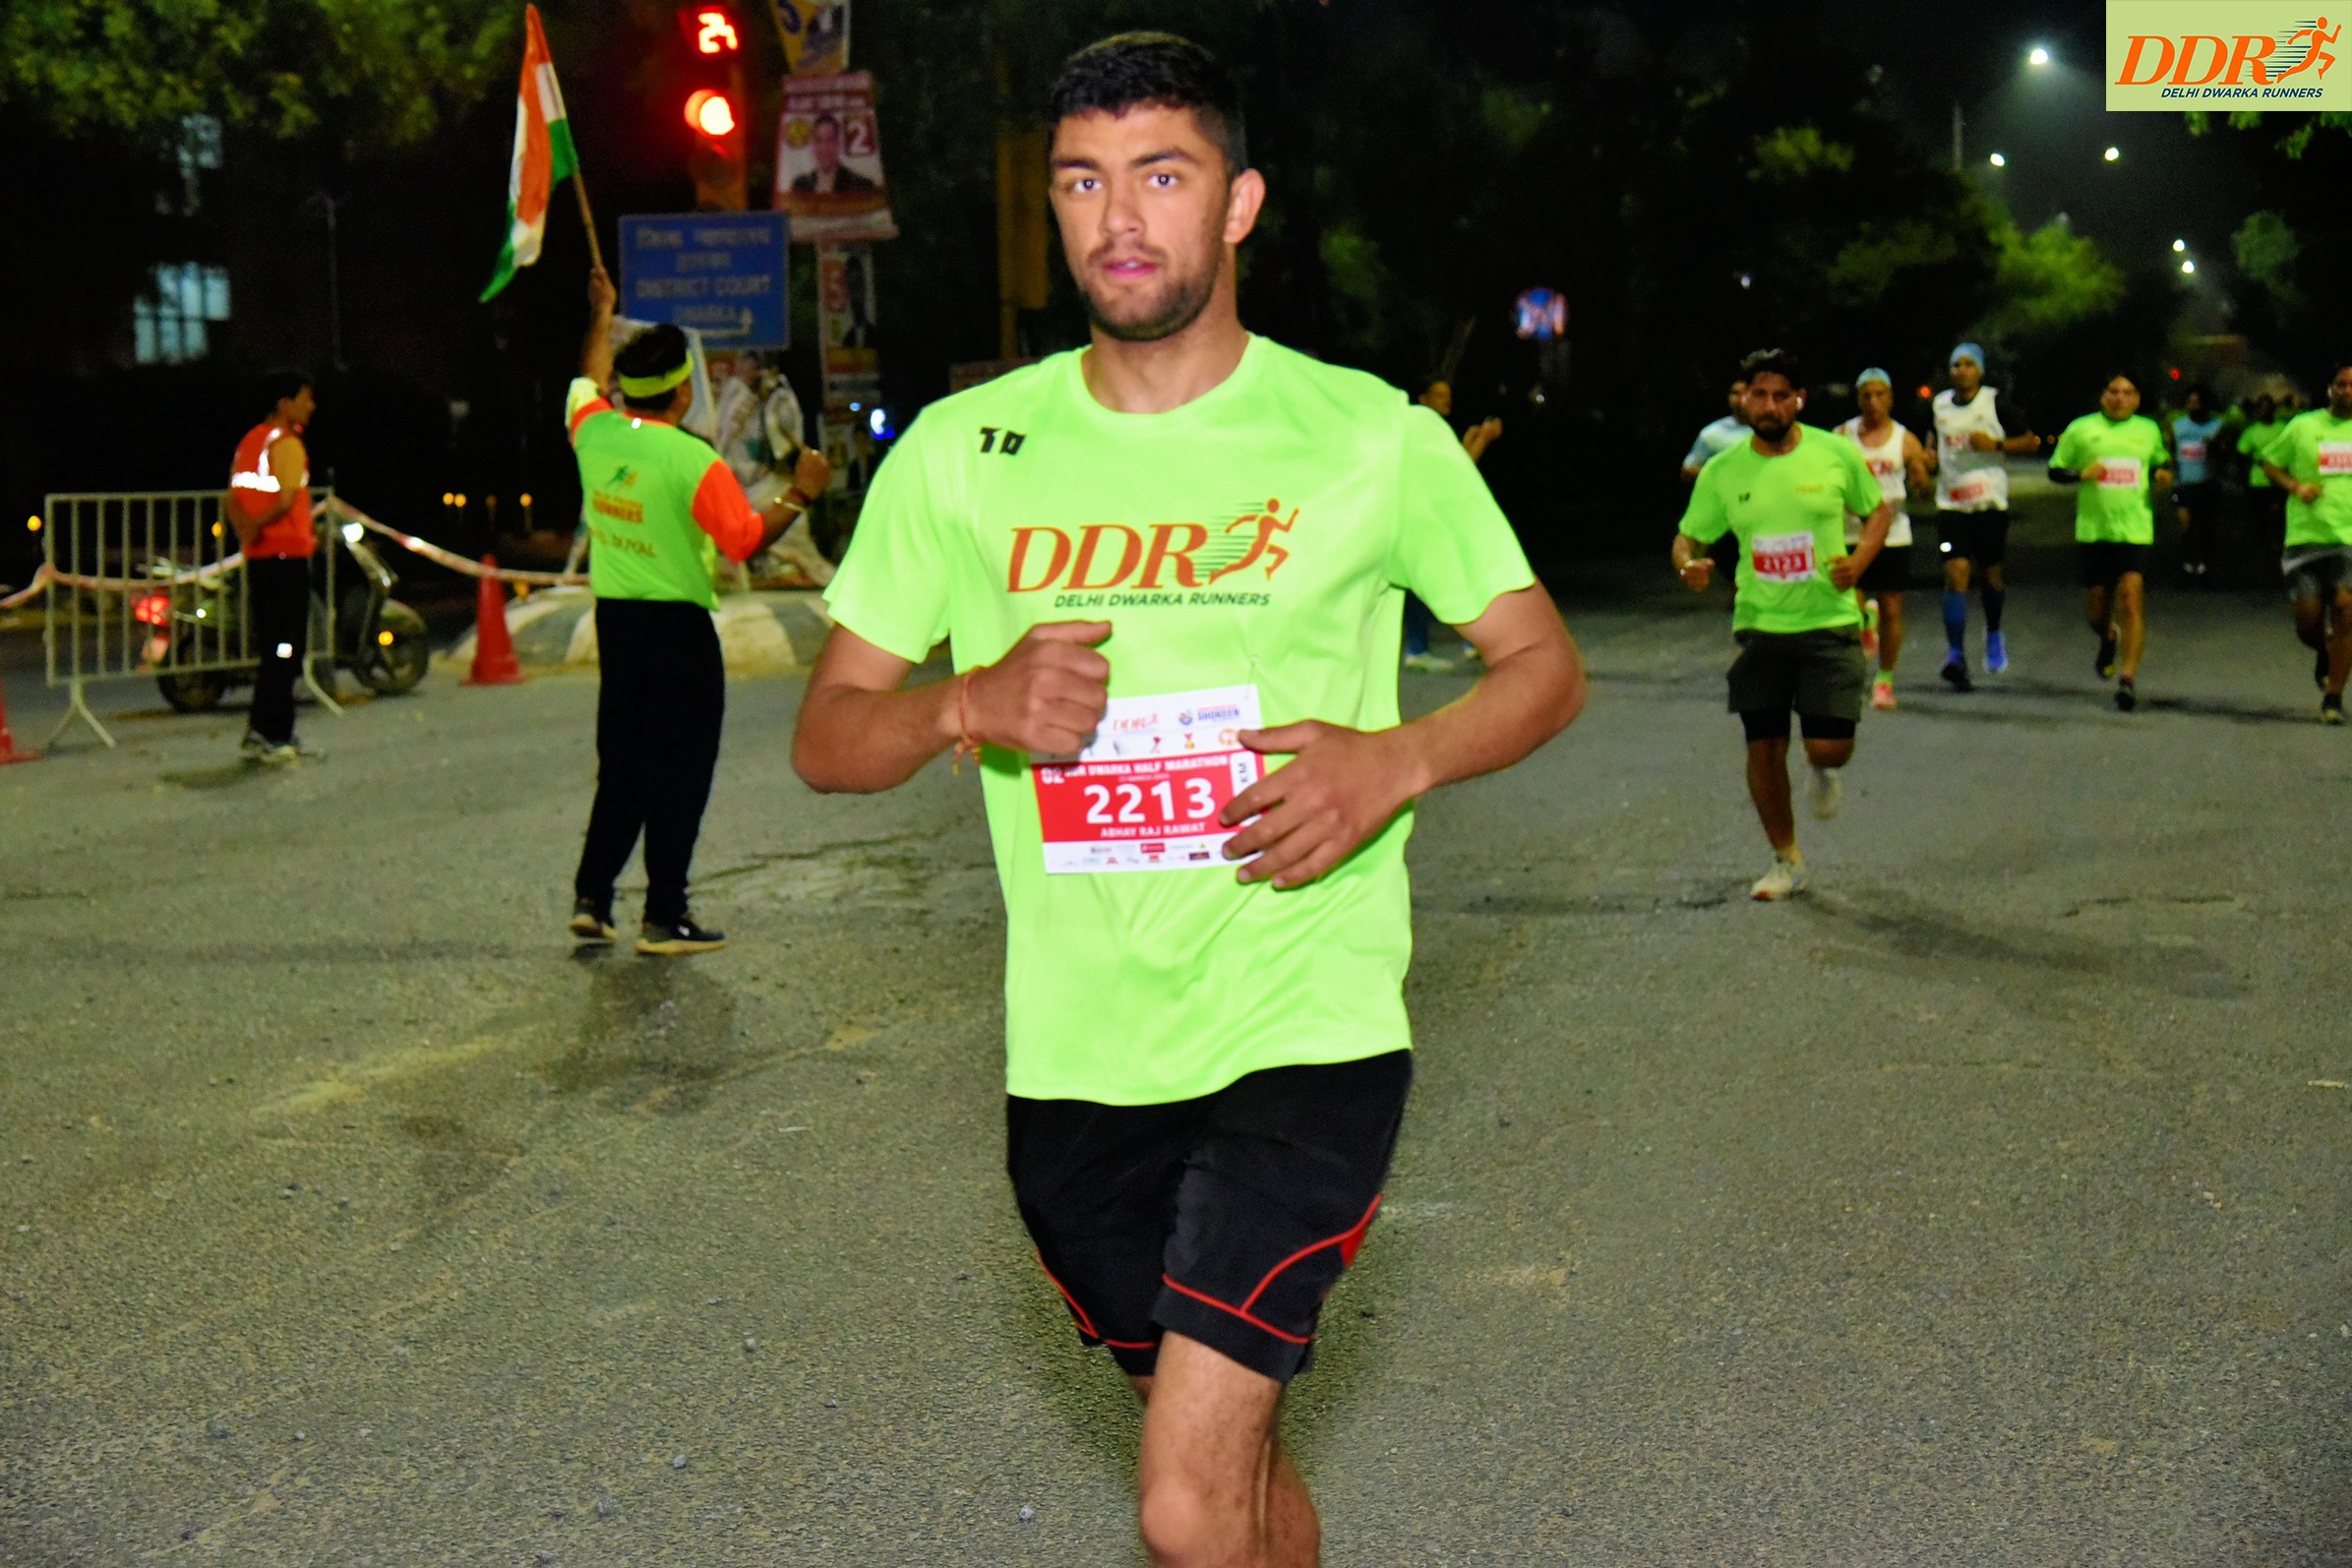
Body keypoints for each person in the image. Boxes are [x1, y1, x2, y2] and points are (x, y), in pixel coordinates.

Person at [790, 33, 1586, 1565]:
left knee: (1175, 1499)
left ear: (1237, 203)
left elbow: (1541, 667)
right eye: (1081, 181)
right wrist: (963, 701)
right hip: (1077, 1058)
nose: (1117, 218)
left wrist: (1395, 759)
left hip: (1303, 1027)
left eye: (1160, 175)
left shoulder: (1369, 437)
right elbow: (827, 737)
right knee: (1221, 1467)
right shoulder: (961, 456)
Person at [566, 267, 830, 955]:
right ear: (683, 391)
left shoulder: (593, 433)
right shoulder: (694, 461)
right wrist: (801, 493)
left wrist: (601, 314)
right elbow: (743, 539)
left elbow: (588, 379)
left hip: (617, 626)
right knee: (681, 772)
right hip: (678, 632)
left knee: (622, 766)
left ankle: (593, 900)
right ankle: (664, 915)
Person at [1672, 349, 1893, 900]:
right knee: (1763, 746)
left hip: (1828, 621)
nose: (1769, 406)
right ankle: (1786, 859)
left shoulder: (1834, 454)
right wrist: (1687, 564)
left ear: (1799, 401)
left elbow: (1878, 512)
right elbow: (1688, 536)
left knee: (1828, 747)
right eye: (1759, 395)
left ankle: (1824, 767)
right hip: (1760, 626)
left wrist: (1860, 561)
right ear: (1744, 400)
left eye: (1780, 395)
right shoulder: (1723, 470)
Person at [2050, 373, 2173, 712]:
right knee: (2095, 614)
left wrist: (2162, 474)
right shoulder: (2081, 429)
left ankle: (2128, 679)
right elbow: (2055, 469)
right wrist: (2080, 474)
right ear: (2103, 396)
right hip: (2094, 531)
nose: (2120, 398)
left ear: (2137, 399)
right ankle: (2108, 635)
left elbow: (2160, 462)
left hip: (2134, 529)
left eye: (2127, 393)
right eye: (2114, 392)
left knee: (2131, 599)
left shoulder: (2147, 430)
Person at [1930, 343, 2039, 691]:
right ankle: (1955, 655)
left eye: (1967, 365)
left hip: (1989, 504)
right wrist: (1926, 460)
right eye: (1955, 365)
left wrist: (1996, 445)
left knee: (1990, 575)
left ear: (1979, 370)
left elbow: (2031, 441)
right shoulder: (1939, 405)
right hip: (1951, 505)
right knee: (1956, 574)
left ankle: (1993, 634)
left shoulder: (1994, 402)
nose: (1961, 371)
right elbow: (1931, 441)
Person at [225, 371, 321, 765]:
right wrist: (261, 524)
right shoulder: (287, 444)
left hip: (261, 560)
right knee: (286, 648)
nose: (311, 406)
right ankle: (277, 735)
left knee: (272, 648)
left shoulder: (251, 441)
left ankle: (261, 730)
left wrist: (246, 529)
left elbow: (232, 498)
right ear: (285, 403)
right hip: (287, 559)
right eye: (305, 398)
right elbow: (285, 500)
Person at [2259, 360, 2352, 723]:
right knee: (2308, 623)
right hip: (2306, 536)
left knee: (2345, 610)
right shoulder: (2303, 426)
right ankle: (2325, 651)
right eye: (2341, 384)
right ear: (2330, 389)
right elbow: (2269, 462)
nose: (2347, 391)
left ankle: (2333, 697)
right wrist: (2295, 486)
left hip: (2349, 538)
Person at [1835, 367, 1929, 710]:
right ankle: (1864, 625)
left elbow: (1923, 491)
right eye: (1866, 395)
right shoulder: (1842, 436)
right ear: (1858, 399)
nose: (1873, 402)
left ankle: (1885, 679)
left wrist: (1921, 478)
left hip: (1892, 533)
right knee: (1850, 605)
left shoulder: (1904, 439)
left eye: (1879, 395)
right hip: (1851, 532)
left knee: (1891, 606)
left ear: (1890, 399)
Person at [1403, 379, 1503, 673]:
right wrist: (1482, 441)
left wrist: (1474, 441)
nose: (1447, 400)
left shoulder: (1428, 427)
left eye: (1448, 394)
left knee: (1445, 579)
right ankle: (1420, 649)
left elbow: (1454, 463)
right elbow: (1457, 471)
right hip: (1427, 515)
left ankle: (1455, 644)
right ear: (1424, 399)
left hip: (1432, 514)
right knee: (1444, 580)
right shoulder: (1425, 428)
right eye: (1439, 395)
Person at [2168, 386, 2224, 581]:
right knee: (2185, 526)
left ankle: (2205, 566)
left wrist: (2215, 448)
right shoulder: (2178, 426)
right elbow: (2171, 451)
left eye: (2197, 402)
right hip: (2183, 484)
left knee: (2206, 528)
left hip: (2208, 484)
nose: (2193, 405)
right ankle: (2187, 565)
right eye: (2190, 401)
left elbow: (2226, 456)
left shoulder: (2217, 426)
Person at [2238, 392, 2288, 550]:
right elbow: (2242, 453)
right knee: (2260, 518)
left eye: (2267, 407)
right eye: (2261, 407)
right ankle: (2264, 547)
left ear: (2273, 409)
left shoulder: (2283, 428)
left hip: (2279, 481)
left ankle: (2278, 544)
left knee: (2278, 517)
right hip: (2258, 482)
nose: (2264, 410)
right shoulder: (2251, 431)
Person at [788, 113, 877, 194]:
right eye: (819, 140)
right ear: (812, 145)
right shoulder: (800, 186)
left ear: (838, 143)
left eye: (830, 140)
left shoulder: (861, 185)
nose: (824, 147)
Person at [1680, 378, 1749, 481]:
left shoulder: (1769, 430)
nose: (1741, 399)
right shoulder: (1712, 433)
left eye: (1746, 394)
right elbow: (1688, 470)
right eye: (1736, 393)